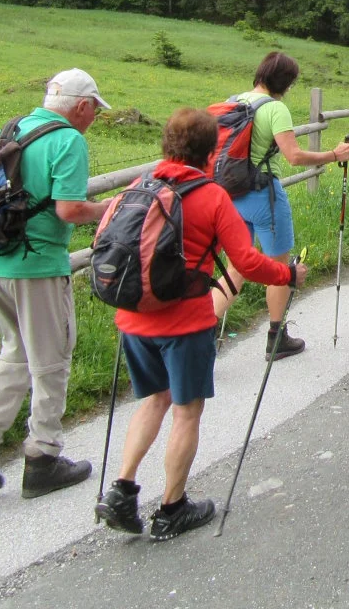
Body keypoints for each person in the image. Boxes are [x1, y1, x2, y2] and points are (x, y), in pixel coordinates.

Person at [95, 108, 303, 540]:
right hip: (185, 322)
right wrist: (288, 275)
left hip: (133, 317)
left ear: (166, 145)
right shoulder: (210, 197)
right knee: (187, 412)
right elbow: (245, 261)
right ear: (211, 152)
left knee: (154, 400)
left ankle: (122, 489)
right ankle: (172, 508)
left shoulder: (139, 186)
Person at [0, 69, 110, 497]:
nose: (93, 117)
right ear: (82, 106)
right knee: (52, 357)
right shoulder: (69, 140)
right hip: (35, 266)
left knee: (14, 351)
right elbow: (70, 210)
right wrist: (112, 206)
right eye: (94, 109)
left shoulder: (12, 127)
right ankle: (43, 457)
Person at [224, 52, 349, 359]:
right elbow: (293, 156)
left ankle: (199, 334)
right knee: (279, 268)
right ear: (285, 82)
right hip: (263, 194)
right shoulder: (275, 109)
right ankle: (276, 336)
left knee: (235, 268)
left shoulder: (232, 101)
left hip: (230, 195)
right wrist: (333, 155)